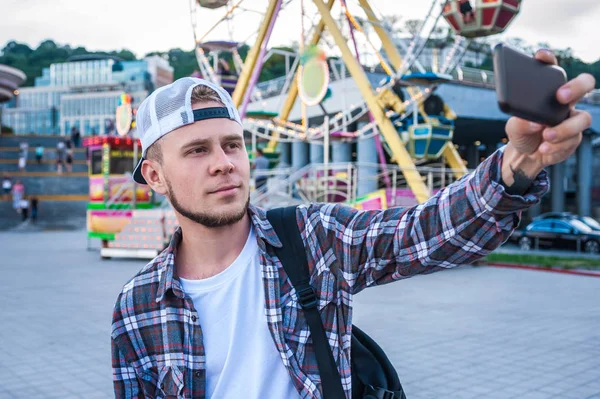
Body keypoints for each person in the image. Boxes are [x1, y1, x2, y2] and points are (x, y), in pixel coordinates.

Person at [111, 50, 595, 399]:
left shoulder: (312, 239)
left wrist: (519, 162)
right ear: (155, 176)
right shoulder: (136, 308)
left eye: (232, 144)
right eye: (197, 151)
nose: (223, 163)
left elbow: (423, 232)